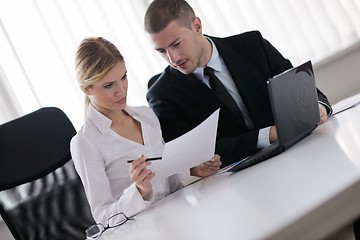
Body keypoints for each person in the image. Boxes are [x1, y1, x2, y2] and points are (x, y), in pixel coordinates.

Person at [144, 0, 333, 168]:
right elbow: (192, 157)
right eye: (161, 51)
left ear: (197, 26)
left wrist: (318, 107)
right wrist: (270, 134)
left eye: (176, 44)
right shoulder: (162, 95)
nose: (173, 58)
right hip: (237, 182)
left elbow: (304, 89)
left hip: (303, 155)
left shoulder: (252, 45)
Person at [70, 37, 221, 225]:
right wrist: (140, 191)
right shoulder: (85, 142)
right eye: (109, 85)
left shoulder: (146, 116)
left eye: (124, 77)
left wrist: (194, 170)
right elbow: (103, 217)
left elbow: (169, 181)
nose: (121, 90)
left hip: (178, 218)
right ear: (87, 89)